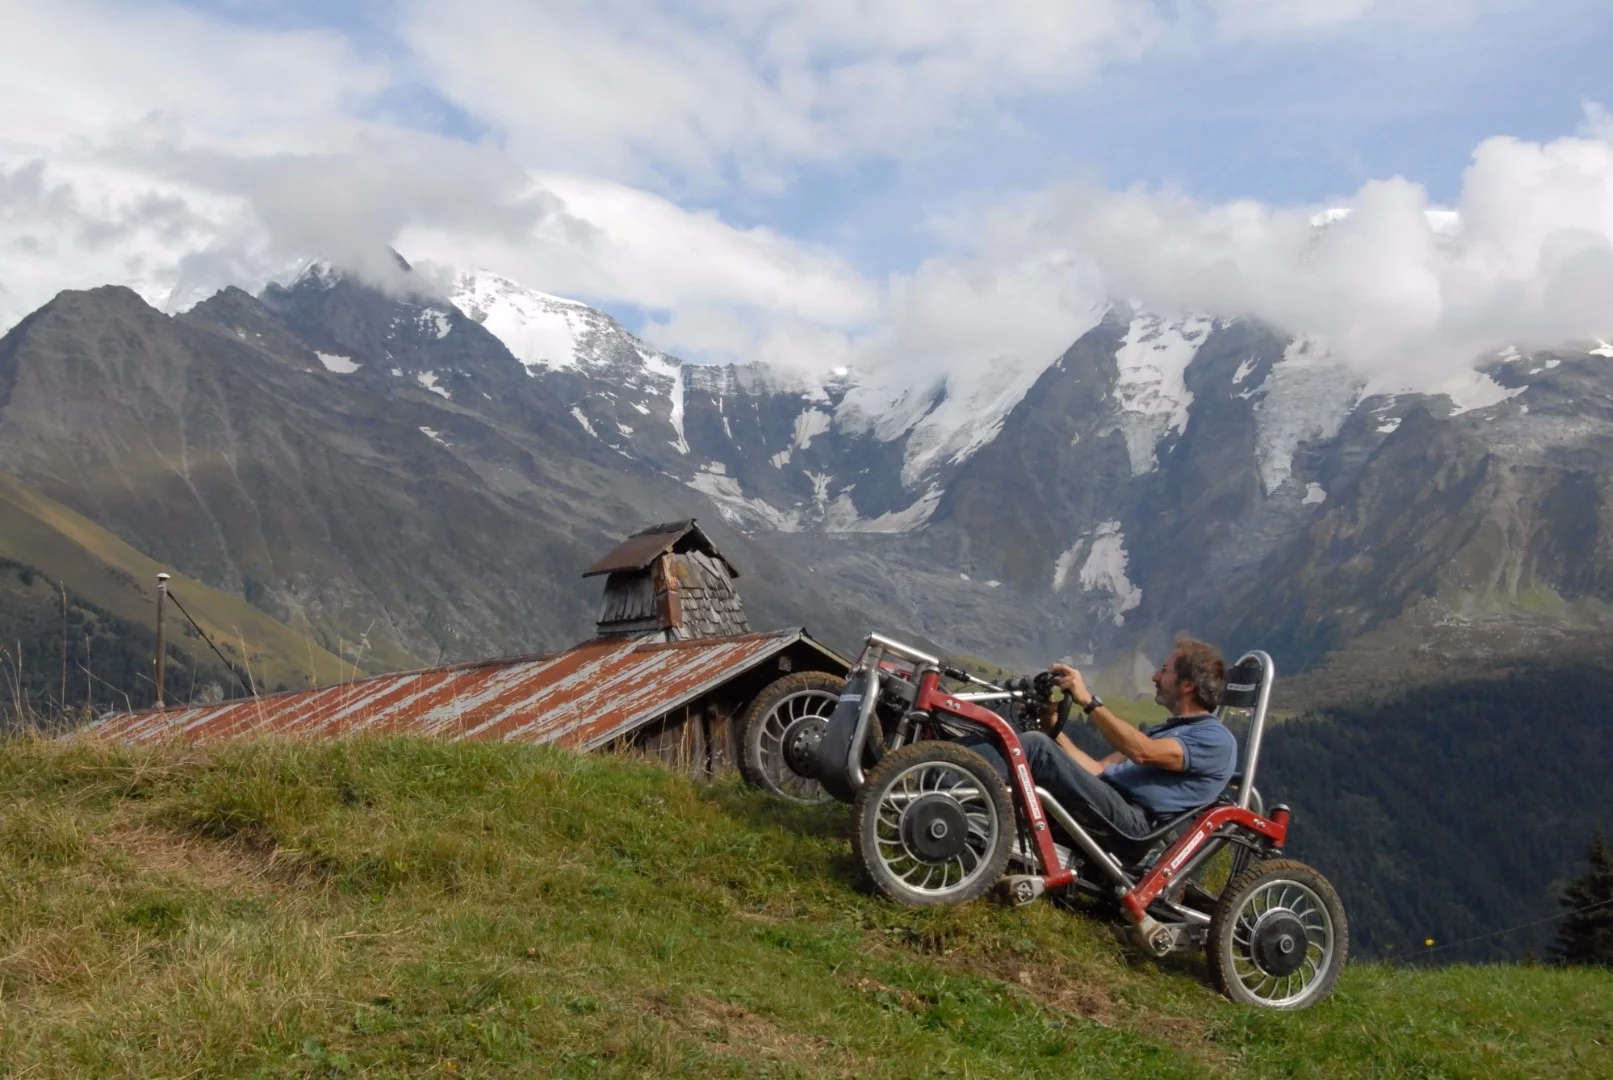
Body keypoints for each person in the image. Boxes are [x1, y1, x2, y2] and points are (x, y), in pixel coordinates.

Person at [966, 637, 1238, 838]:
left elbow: (1144, 752)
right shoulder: (1166, 730)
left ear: (1188, 685)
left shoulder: (1215, 739)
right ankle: (942, 766)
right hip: (1110, 802)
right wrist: (1049, 724)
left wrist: (1089, 703)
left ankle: (941, 776)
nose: (1155, 676)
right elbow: (1095, 769)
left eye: (1164, 671)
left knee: (1037, 748)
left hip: (1133, 824)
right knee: (1035, 739)